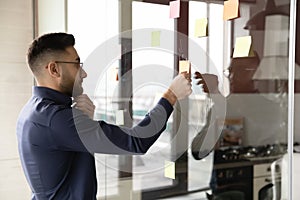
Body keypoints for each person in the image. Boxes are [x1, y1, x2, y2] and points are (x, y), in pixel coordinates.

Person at [16, 32, 193, 200]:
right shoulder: (56, 119)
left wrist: (82, 120)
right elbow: (137, 141)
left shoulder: (32, 110)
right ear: (54, 69)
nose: (83, 73)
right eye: (77, 64)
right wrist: (171, 95)